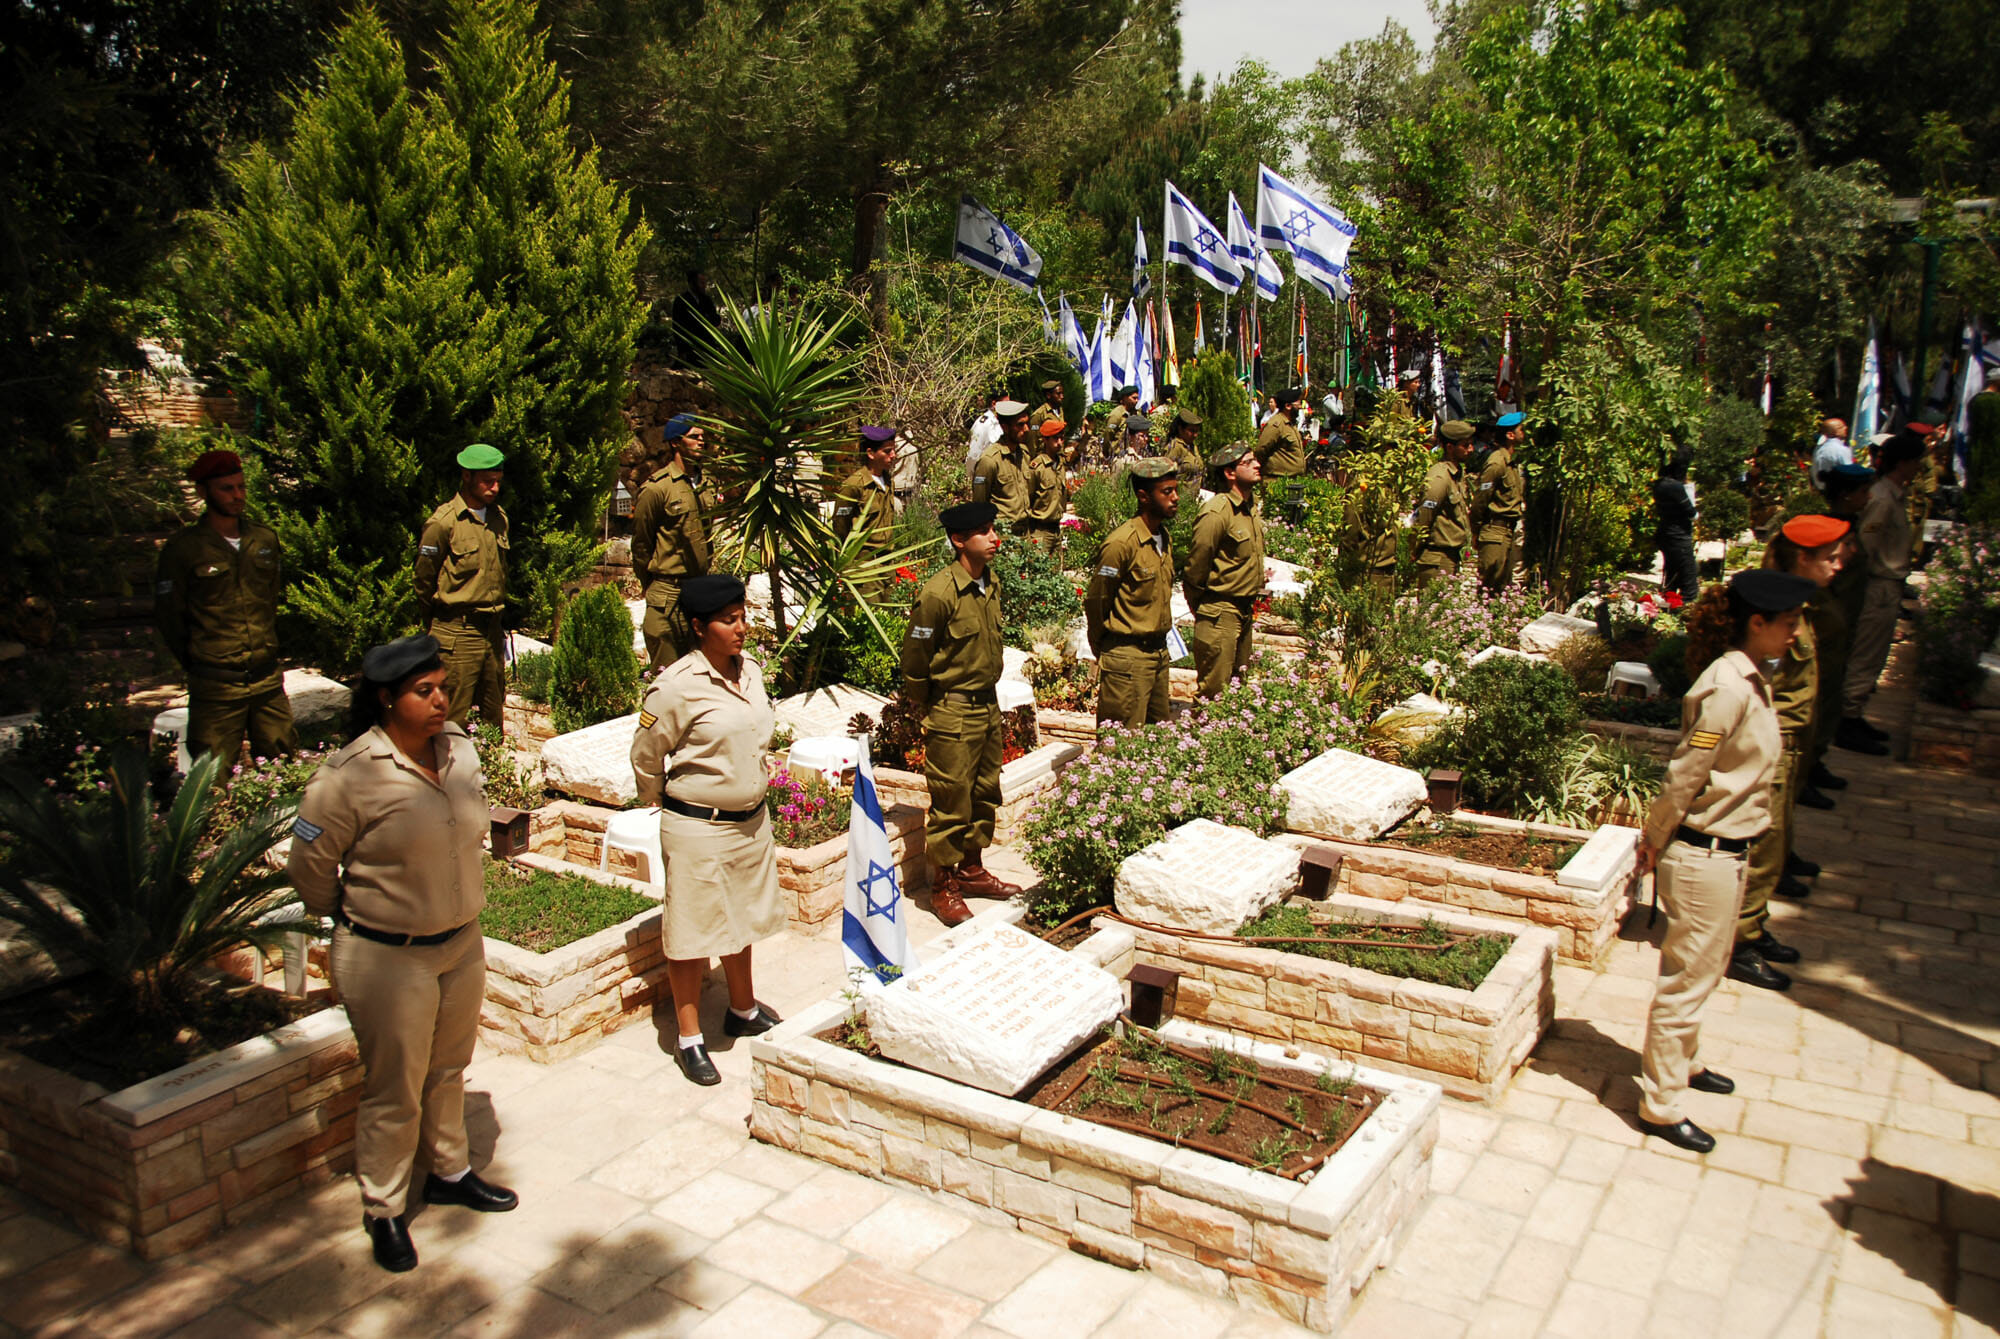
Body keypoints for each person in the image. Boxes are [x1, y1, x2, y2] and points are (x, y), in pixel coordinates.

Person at [288, 634, 517, 1274]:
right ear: (387, 699)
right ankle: (384, 1208)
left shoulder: (462, 754)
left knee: (448, 1069)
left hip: (461, 944)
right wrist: (358, 912)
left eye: (443, 686)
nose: (441, 698)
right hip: (387, 956)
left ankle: (449, 1171)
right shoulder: (349, 777)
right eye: (424, 691)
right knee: (395, 1088)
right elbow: (310, 870)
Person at [1632, 568, 1815, 1154]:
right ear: (1756, 623)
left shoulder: (1752, 675)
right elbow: (1686, 773)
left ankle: (1684, 1063)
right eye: (1788, 623)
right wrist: (1652, 839)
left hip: (1731, 850)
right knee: (1685, 980)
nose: (1796, 633)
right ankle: (1660, 1104)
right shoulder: (1729, 688)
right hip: (1703, 852)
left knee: (1707, 968)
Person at [630, 575, 786, 1086]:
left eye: (743, 616)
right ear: (699, 627)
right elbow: (647, 756)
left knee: (740, 920)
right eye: (728, 620)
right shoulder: (675, 687)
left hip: (749, 825)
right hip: (699, 827)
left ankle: (741, 1010)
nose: (741, 628)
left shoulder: (752, 675)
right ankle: (690, 1038)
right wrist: (663, 804)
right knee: (692, 934)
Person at [1728, 514, 1851, 991]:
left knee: (1777, 842)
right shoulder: (1774, 612)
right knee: (1762, 845)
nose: (1838, 566)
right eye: (1830, 558)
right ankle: (1742, 940)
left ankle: (1755, 926)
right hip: (1772, 743)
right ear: (1803, 558)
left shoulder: (1796, 607)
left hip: (1791, 743)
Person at [900, 502, 1021, 927]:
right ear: (958, 540)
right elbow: (915, 658)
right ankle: (942, 886)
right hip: (952, 708)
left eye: (994, 529)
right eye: (984, 532)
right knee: (951, 801)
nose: (995, 539)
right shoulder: (937, 594)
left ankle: (971, 870)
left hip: (988, 705)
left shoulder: (991, 583)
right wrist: (933, 705)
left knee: (985, 791)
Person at [154, 449, 298, 763]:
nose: (237, 496)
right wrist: (203, 658)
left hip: (266, 679)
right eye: (227, 488)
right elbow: (170, 618)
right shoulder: (184, 549)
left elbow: (271, 599)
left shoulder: (263, 540)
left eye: (241, 487)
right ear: (204, 492)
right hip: (216, 685)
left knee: (283, 766)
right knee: (212, 776)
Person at [1838, 433, 1925, 752]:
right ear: (1903, 462)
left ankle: (1854, 714)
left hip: (1887, 584)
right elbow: (1866, 544)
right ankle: (1847, 718)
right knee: (1866, 652)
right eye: (1916, 461)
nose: (1920, 467)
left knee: (1874, 653)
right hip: (1877, 584)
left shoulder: (1894, 495)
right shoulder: (1883, 497)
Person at [414, 444, 510, 727]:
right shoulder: (443, 524)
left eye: (498, 481)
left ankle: (490, 768)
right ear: (466, 477)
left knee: (493, 714)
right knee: (451, 718)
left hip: (491, 631)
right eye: (486, 481)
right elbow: (423, 580)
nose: (493, 488)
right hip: (457, 634)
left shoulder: (498, 519)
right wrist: (435, 626)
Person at [1086, 458, 1180, 727]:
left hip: (1159, 655)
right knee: (1120, 745)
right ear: (1143, 496)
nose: (1175, 498)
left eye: (1175, 490)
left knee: (1155, 741)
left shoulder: (1163, 538)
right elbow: (1097, 600)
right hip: (1127, 660)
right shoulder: (1121, 544)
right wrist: (1105, 648)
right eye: (1166, 491)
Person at [631, 415, 712, 671]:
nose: (702, 441)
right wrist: (650, 585)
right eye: (695, 436)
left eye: (703, 436)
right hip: (667, 594)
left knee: (703, 675)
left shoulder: (707, 485)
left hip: (699, 592)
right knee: (668, 677)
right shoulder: (657, 489)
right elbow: (641, 544)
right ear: (676, 443)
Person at [1185, 444, 1264, 698]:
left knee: (1238, 690)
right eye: (1249, 462)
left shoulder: (1248, 508)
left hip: (1243, 610)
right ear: (1230, 473)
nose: (1257, 465)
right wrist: (1205, 608)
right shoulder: (1217, 512)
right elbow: (1196, 567)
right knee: (1214, 694)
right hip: (1220, 612)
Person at [831, 425, 900, 583]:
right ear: (870, 453)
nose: (894, 455)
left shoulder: (888, 481)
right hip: (864, 567)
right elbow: (840, 526)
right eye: (887, 451)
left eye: (893, 450)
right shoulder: (854, 486)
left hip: (887, 563)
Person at [1411, 420, 1475, 585]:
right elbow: (1424, 518)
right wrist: (1415, 549)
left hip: (1449, 556)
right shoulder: (1439, 477)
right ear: (1450, 448)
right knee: (1434, 607)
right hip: (1436, 558)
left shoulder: (1456, 473)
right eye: (1465, 445)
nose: (1471, 449)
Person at [1472, 412, 1527, 592]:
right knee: (1489, 586)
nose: (1524, 433)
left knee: (1501, 585)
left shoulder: (1511, 462)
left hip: (1508, 530)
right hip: (1495, 530)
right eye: (1521, 429)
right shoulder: (1497, 463)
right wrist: (1476, 531)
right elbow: (1481, 500)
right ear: (1510, 435)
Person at [970, 399, 1032, 525]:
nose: (1026, 429)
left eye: (1027, 423)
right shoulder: (989, 460)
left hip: (1026, 533)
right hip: (1004, 536)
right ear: (1005, 427)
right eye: (1020, 425)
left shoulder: (1024, 454)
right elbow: (979, 505)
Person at [1653, 450, 1699, 606]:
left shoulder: (1659, 484)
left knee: (1671, 574)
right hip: (1679, 536)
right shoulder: (1675, 487)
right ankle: (1683, 612)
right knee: (1689, 581)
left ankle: (1667, 607)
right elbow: (1692, 513)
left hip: (1665, 534)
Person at [1020, 419, 1068, 556]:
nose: (1059, 442)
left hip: (1056, 530)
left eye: (1061, 438)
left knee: (1056, 574)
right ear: (1045, 440)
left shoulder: (1060, 464)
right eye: (1055, 438)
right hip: (1040, 530)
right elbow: (1027, 498)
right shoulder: (1037, 467)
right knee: (1039, 572)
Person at [1160, 405, 1205, 493]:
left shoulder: (1192, 446)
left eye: (1197, 431)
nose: (1195, 435)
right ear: (1180, 429)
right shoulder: (1175, 447)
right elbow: (1165, 476)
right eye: (1191, 431)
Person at [1810, 417, 1852, 491]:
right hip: (1840, 492)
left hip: (1822, 491)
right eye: (1841, 427)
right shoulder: (1841, 450)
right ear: (1836, 432)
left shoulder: (1818, 450)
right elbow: (1850, 473)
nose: (1846, 428)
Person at [1100, 385, 1140, 460]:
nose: (1136, 401)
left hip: (1131, 454)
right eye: (1134, 398)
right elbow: (1108, 434)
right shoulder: (1116, 415)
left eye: (1137, 398)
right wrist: (1106, 454)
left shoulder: (1134, 413)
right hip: (1117, 456)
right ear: (1125, 398)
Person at [964, 393, 1002, 471]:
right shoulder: (983, 424)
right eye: (1006, 404)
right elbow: (973, 455)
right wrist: (978, 479)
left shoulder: (1003, 423)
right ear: (994, 404)